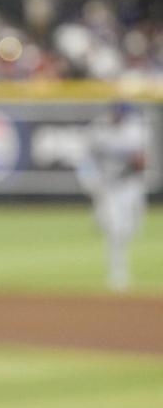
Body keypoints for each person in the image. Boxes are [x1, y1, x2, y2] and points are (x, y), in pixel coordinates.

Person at [77, 101, 149, 291]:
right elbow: (86, 158)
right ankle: (118, 273)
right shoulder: (97, 130)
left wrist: (128, 167)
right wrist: (92, 181)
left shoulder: (135, 131)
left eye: (119, 115)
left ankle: (118, 268)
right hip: (109, 187)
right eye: (113, 114)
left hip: (130, 185)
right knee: (116, 231)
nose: (116, 117)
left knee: (131, 228)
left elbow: (141, 163)